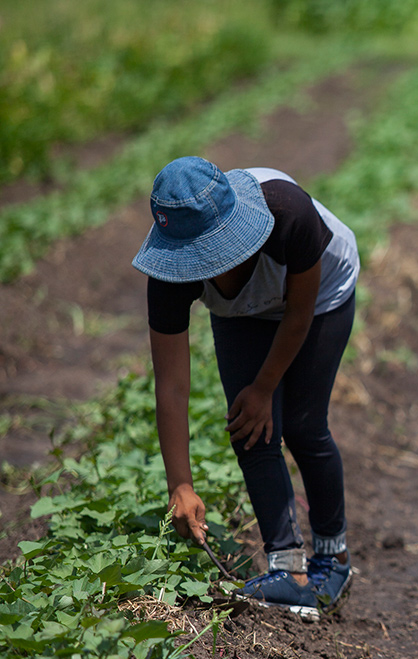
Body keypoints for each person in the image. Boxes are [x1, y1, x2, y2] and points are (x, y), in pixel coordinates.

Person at [133, 156, 359, 616]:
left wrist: (264, 386)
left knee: (302, 425)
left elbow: (298, 313)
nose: (210, 263)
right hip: (243, 312)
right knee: (250, 429)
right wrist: (181, 484)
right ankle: (289, 570)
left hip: (319, 299)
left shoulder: (289, 214)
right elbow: (171, 386)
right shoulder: (169, 278)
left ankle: (333, 558)